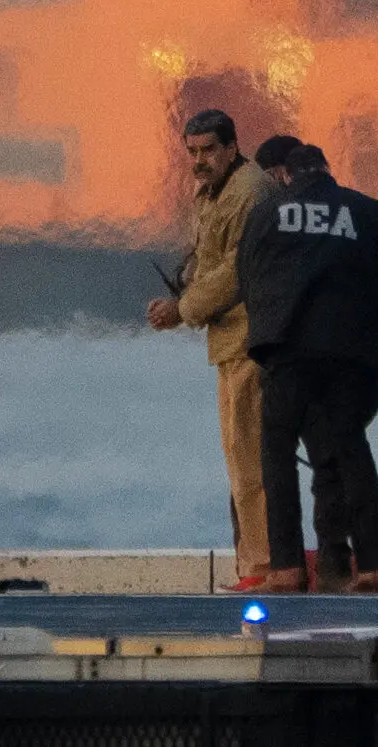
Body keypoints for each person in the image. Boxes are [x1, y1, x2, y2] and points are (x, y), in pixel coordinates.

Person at [238, 143, 378, 594]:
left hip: (287, 351)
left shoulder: (268, 213)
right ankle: (371, 568)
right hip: (350, 352)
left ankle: (286, 568)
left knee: (277, 453)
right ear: (328, 170)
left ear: (287, 174)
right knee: (351, 450)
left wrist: (270, 321)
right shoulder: (365, 211)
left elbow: (248, 273)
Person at [147, 108, 276, 592]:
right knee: (240, 457)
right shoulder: (212, 193)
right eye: (192, 152)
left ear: (229, 148)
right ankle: (254, 564)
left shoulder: (249, 191)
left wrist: (182, 309)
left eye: (208, 151)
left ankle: (262, 567)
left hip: (251, 339)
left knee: (252, 460)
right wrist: (184, 294)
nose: (199, 161)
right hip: (229, 341)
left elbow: (237, 270)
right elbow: (209, 260)